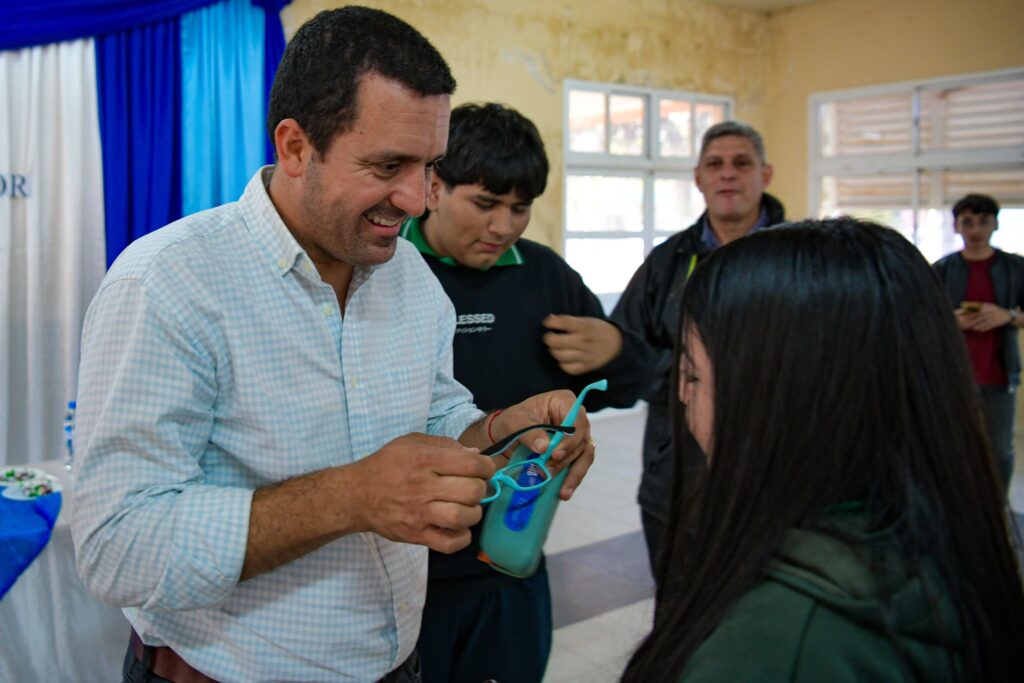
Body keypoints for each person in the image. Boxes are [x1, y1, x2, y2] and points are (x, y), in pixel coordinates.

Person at [70, 8, 595, 683]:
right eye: (388, 165)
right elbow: (116, 546)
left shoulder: (408, 275)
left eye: (429, 166)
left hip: (398, 662)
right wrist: (350, 496)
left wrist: (503, 431)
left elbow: (435, 417)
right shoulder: (169, 282)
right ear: (295, 147)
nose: (417, 199)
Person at [621, 218, 1024, 683]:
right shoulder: (943, 540)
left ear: (786, 397)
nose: (681, 396)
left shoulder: (771, 651)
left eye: (692, 375)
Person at [400, 102, 651, 683]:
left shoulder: (543, 274)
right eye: (485, 204)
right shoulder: (389, 269)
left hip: (511, 558)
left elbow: (618, 389)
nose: (503, 227)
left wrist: (617, 350)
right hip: (402, 570)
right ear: (434, 188)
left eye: (520, 208)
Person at [610, 121, 785, 576]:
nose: (728, 174)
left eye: (741, 163)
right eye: (715, 164)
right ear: (698, 178)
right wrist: (695, 378)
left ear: (765, 175)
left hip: (778, 480)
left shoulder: (798, 259)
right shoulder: (666, 264)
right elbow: (627, 357)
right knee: (678, 606)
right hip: (676, 483)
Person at [933, 193, 1024, 494]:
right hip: (953, 375)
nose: (975, 230)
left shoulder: (1015, 268)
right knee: (951, 447)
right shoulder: (942, 269)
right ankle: (957, 507)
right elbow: (922, 316)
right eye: (968, 222)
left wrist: (1007, 315)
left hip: (1000, 374)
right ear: (956, 226)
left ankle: (996, 509)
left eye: (983, 222)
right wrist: (950, 321)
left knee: (999, 451)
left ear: (995, 224)